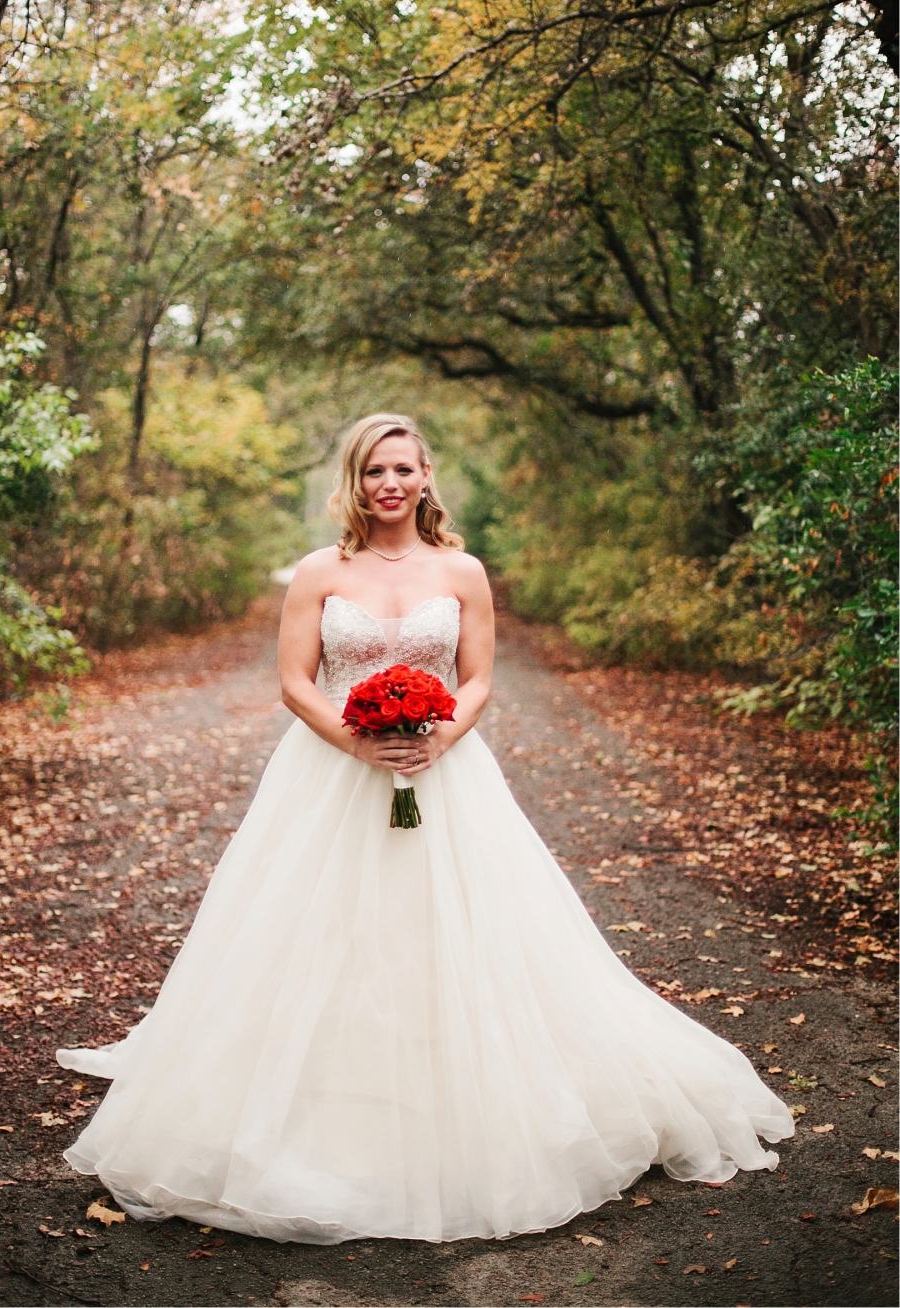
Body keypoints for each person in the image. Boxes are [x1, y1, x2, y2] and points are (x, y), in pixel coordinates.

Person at [56, 412, 793, 1244]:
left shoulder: (463, 569)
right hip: (332, 775)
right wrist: (357, 741)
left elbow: (477, 678)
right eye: (375, 471)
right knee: (320, 935)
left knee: (456, 932)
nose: (391, 484)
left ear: (426, 475)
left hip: (446, 775)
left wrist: (440, 735)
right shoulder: (318, 570)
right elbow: (296, 683)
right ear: (355, 481)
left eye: (403, 469)